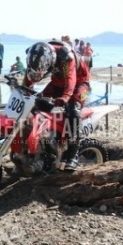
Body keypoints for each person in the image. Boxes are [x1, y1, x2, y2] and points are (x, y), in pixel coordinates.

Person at [23, 39, 91, 170]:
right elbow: (29, 79)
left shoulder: (66, 58)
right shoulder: (36, 54)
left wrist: (65, 98)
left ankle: (73, 155)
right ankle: (43, 143)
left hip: (79, 83)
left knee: (73, 110)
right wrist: (25, 91)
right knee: (36, 103)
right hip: (57, 83)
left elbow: (71, 80)